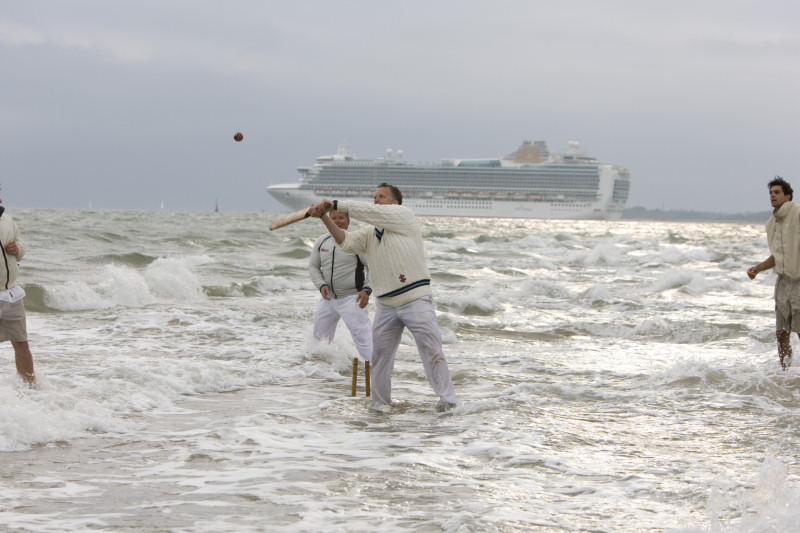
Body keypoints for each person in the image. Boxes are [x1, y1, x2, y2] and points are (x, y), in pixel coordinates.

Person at [308, 183, 457, 409]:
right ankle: (380, 405)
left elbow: (374, 212)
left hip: (415, 298)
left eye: (382, 196)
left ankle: (448, 402)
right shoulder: (369, 232)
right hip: (386, 304)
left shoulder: (404, 216)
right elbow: (346, 242)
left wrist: (334, 204)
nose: (376, 200)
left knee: (432, 350)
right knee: (379, 358)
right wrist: (325, 218)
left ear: (395, 203)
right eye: (374, 196)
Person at [748, 176, 800, 370]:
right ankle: (786, 374)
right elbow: (777, 256)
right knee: (781, 333)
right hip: (783, 282)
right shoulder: (771, 223)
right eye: (770, 193)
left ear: (787, 196)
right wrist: (758, 268)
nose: (772, 195)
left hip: (799, 280)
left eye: (777, 192)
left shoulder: (797, 212)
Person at [308, 210, 373, 363]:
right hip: (328, 298)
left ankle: (375, 370)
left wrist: (367, 290)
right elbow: (313, 266)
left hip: (352, 298)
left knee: (363, 337)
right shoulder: (321, 241)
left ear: (348, 221)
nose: (337, 221)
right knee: (319, 340)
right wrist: (321, 285)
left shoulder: (356, 241)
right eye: (334, 218)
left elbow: (373, 267)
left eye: (341, 218)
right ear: (328, 221)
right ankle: (323, 372)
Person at [0, 197, 35, 385]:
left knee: (21, 343)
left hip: (11, 294)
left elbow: (21, 245)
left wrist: (17, 248)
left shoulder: (8, 220)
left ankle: (31, 390)